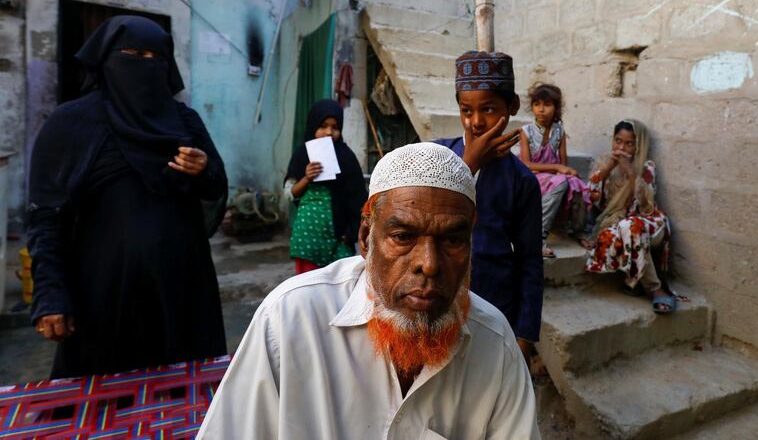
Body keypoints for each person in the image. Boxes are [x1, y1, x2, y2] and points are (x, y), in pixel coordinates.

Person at [198, 143, 540, 440]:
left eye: (452, 240)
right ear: (365, 238)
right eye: (403, 237)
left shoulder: (495, 345)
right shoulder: (290, 320)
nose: (429, 264)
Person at [27, 16, 228, 378]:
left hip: (182, 290)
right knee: (100, 404)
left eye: (156, 58)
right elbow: (45, 214)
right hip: (101, 294)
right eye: (133, 54)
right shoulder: (71, 123)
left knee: (186, 398)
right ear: (106, 59)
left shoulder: (185, 121)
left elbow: (215, 187)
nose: (144, 65)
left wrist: (203, 169)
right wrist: (51, 294)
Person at [436, 51, 544, 365]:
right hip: (438, 298)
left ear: (511, 108)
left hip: (493, 304)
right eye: (466, 110)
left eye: (488, 109)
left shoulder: (522, 181)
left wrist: (525, 335)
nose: (476, 121)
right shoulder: (440, 154)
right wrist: (469, 164)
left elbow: (530, 260)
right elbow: (429, 204)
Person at [585, 119, 675, 313]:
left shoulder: (647, 166)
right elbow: (591, 198)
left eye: (629, 143)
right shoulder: (603, 162)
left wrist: (631, 172)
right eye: (618, 141)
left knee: (630, 225)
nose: (622, 147)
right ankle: (632, 282)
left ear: (638, 145)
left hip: (650, 223)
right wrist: (609, 167)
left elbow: (645, 206)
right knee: (613, 234)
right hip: (616, 222)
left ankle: (655, 289)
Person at [284, 99, 367, 275]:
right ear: (313, 126)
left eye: (335, 127)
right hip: (308, 236)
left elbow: (358, 196)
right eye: (323, 126)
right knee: (308, 286)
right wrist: (307, 178)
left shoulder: (346, 157)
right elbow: (290, 193)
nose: (329, 132)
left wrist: (352, 231)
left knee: (341, 284)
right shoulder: (302, 154)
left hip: (339, 237)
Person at [518, 83, 592, 257]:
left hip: (553, 178)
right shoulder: (526, 131)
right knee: (561, 182)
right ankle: (537, 238)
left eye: (547, 104)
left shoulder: (559, 132)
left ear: (556, 108)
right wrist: (558, 168)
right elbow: (527, 165)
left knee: (577, 184)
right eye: (537, 104)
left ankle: (579, 229)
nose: (541, 110)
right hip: (532, 176)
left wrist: (564, 170)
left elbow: (564, 164)